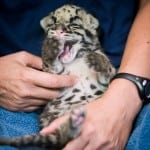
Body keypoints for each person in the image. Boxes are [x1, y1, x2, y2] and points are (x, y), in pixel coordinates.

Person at [0, 0, 149, 150]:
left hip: (135, 80)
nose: (59, 30)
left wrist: (127, 95)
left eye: (74, 24)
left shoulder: (95, 58)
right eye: (53, 25)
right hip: (16, 96)